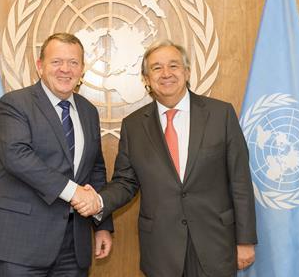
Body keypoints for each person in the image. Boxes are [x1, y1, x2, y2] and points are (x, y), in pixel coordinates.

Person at [74, 40, 257, 277]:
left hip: (215, 243)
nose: (166, 74)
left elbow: (240, 180)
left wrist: (245, 241)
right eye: (156, 68)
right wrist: (98, 201)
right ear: (146, 79)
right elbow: (125, 182)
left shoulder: (221, 114)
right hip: (162, 249)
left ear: (187, 72)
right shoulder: (134, 125)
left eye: (174, 65)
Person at [0, 33, 113, 277]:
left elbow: (95, 169)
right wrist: (74, 191)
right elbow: (17, 156)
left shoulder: (88, 111)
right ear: (40, 65)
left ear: (82, 69)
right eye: (57, 62)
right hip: (22, 243)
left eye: (73, 63)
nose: (65, 69)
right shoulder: (15, 104)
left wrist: (102, 224)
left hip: (74, 245)